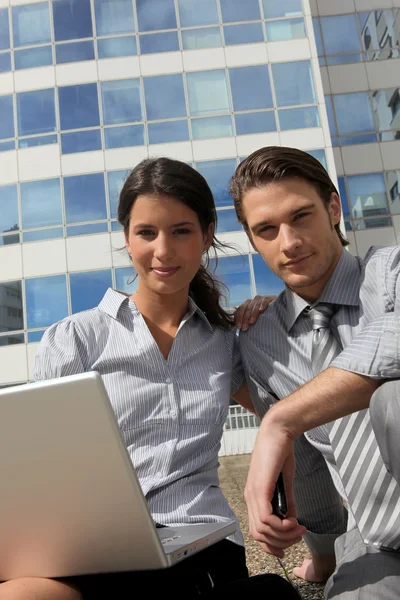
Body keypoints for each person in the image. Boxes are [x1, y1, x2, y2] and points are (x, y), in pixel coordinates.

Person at [26, 157, 300, 600]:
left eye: (181, 231)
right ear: (126, 238)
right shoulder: (74, 339)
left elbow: (291, 414)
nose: (164, 251)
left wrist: (279, 318)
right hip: (98, 549)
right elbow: (42, 468)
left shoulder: (225, 341)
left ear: (207, 234)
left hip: (201, 546)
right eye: (146, 233)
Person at [230, 145, 400, 599]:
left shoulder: (389, 270)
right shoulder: (261, 341)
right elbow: (305, 469)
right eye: (266, 229)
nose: (288, 242)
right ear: (252, 240)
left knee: (392, 399)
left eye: (301, 216)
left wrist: (282, 418)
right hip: (379, 540)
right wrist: (325, 556)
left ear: (333, 207)